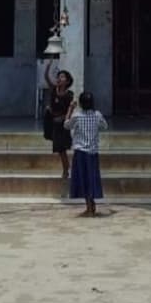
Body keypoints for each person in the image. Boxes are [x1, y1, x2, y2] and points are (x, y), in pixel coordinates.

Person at [65, 90, 108, 218]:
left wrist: (70, 109)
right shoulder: (97, 115)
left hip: (81, 152)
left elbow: (66, 125)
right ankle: (91, 204)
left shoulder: (77, 116)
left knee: (83, 179)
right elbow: (104, 126)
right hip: (93, 152)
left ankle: (89, 208)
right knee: (91, 178)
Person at [43, 62, 75, 179]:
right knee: (59, 149)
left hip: (62, 123)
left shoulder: (68, 95)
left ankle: (66, 169)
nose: (59, 78)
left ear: (67, 81)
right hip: (53, 122)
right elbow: (46, 77)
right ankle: (67, 168)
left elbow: (68, 110)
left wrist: (66, 119)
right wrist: (47, 66)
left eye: (62, 76)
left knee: (62, 149)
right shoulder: (54, 89)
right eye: (59, 76)